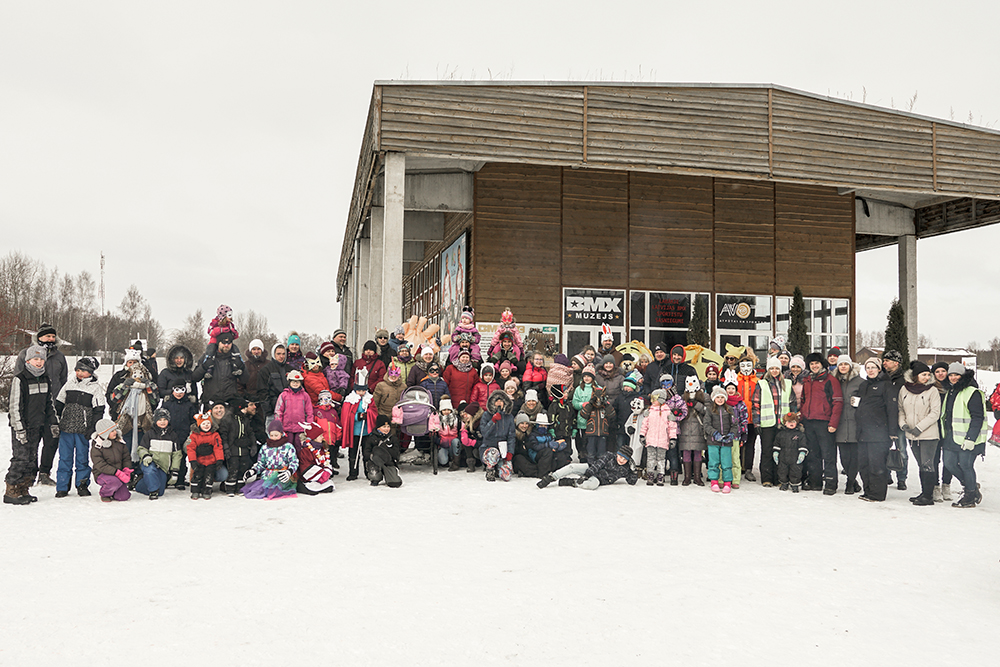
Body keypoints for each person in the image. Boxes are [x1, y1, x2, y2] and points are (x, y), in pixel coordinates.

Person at [13, 323, 67, 487]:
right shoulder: (25, 354)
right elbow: (18, 378)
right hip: (33, 406)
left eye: (53, 336)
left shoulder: (60, 357)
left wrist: (60, 401)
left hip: (53, 405)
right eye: (47, 336)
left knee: (51, 441)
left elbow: (63, 380)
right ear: (39, 337)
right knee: (32, 442)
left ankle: (45, 472)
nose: (50, 339)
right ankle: (30, 473)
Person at [5, 345, 56, 505]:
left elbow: (49, 404)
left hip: (37, 426)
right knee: (21, 458)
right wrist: (19, 427)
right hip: (22, 427)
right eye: (36, 359)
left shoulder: (45, 378)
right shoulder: (20, 379)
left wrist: (53, 422)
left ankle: (23, 488)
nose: (39, 362)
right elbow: (14, 406)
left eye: (41, 359)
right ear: (28, 360)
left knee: (31, 459)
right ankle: (12, 490)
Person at [53, 356, 106, 498]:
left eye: (84, 371)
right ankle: (62, 486)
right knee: (64, 458)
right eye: (78, 370)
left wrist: (93, 428)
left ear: (91, 372)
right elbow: (58, 404)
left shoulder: (95, 388)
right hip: (66, 428)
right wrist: (55, 420)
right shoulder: (69, 385)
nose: (80, 373)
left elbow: (99, 410)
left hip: (83, 430)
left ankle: (82, 485)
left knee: (82, 459)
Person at [939, 363, 986, 508]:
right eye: (951, 375)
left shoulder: (973, 392)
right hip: (951, 436)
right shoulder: (950, 391)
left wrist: (971, 438)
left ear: (963, 376)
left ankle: (970, 496)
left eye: (956, 375)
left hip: (967, 438)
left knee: (966, 465)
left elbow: (978, 417)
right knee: (950, 464)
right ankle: (971, 487)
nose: (953, 378)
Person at [897, 360, 942, 506]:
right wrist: (903, 424)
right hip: (911, 435)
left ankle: (928, 496)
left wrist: (919, 428)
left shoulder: (932, 390)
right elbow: (900, 409)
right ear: (915, 375)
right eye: (923, 374)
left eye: (928, 375)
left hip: (928, 435)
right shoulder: (904, 389)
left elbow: (935, 413)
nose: (927, 377)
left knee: (927, 464)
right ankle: (924, 492)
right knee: (921, 464)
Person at [854, 357, 898, 503]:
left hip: (879, 433)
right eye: (868, 368)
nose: (870, 370)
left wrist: (892, 432)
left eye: (873, 367)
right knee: (863, 463)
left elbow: (892, 410)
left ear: (879, 369)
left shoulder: (886, 385)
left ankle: (877, 494)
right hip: (863, 432)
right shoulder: (864, 385)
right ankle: (868, 491)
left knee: (877, 465)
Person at [800, 352, 843, 493]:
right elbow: (803, 400)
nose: (814, 366)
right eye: (811, 364)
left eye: (816, 363)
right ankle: (815, 482)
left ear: (822, 364)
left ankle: (830, 484)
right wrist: (802, 418)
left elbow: (837, 402)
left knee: (828, 455)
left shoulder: (831, 380)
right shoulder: (807, 380)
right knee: (813, 454)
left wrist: (833, 423)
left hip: (825, 423)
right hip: (809, 421)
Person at [752, 356, 797, 488]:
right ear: (768, 370)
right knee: (767, 451)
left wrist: (793, 420)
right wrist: (757, 423)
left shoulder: (787, 383)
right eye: (772, 368)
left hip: (783, 424)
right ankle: (767, 478)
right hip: (767, 424)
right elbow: (756, 405)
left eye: (777, 368)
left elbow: (792, 403)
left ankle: (779, 477)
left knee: (781, 452)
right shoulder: (762, 384)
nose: (774, 370)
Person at [536, 443, 639, 490]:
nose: (621, 460)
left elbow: (631, 482)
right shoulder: (609, 456)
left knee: (591, 485)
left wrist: (634, 471)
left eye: (624, 459)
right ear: (617, 454)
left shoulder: (626, 468)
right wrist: (587, 474)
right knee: (572, 467)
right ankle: (550, 478)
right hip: (591, 468)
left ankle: (571, 482)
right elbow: (598, 464)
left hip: (599, 478)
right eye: (620, 457)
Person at [241, 420, 298, 499]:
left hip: (282, 475)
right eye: (271, 435)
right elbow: (261, 463)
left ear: (281, 434)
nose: (274, 438)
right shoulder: (265, 447)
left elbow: (294, 462)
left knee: (275, 489)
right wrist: (253, 470)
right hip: (267, 476)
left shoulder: (288, 447)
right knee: (258, 489)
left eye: (276, 435)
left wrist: (289, 471)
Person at [339, 369, 378, 481]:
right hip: (354, 431)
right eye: (359, 390)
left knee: (367, 453)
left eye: (363, 390)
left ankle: (368, 472)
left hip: (366, 431)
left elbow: (374, 412)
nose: (361, 393)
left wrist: (368, 413)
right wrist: (358, 416)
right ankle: (353, 472)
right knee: (353, 453)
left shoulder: (369, 399)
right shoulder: (349, 399)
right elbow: (346, 415)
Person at [135, 408, 181, 500]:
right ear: (155, 421)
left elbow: (177, 455)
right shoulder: (149, 434)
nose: (162, 422)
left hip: (163, 467)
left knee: (160, 492)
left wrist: (174, 471)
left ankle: (139, 484)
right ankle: (153, 492)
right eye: (160, 420)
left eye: (165, 420)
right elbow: (141, 448)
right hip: (149, 462)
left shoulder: (173, 436)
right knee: (150, 470)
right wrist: (145, 456)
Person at [833, 354, 863, 495]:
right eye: (841, 364)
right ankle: (854, 481)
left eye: (845, 364)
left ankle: (850, 483)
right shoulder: (834, 381)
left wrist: (859, 402)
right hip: (839, 423)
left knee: (855, 456)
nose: (843, 367)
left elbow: (867, 401)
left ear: (850, 366)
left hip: (855, 422)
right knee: (844, 456)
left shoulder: (860, 382)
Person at [192, 331, 245, 409]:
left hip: (229, 405)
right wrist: (204, 366)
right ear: (218, 343)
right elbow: (195, 377)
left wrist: (241, 365)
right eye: (223, 342)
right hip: (211, 404)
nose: (226, 345)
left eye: (229, 342)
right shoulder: (207, 357)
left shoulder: (235, 358)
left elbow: (245, 379)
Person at [161, 380, 198, 489]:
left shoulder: (189, 405)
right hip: (170, 435)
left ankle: (180, 479)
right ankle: (167, 478)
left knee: (181, 457)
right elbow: (162, 418)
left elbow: (193, 420)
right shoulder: (167, 404)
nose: (179, 393)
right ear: (172, 391)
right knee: (168, 457)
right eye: (176, 390)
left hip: (184, 435)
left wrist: (191, 432)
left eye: (182, 390)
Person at [881, 349, 908, 490]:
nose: (884, 363)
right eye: (884, 360)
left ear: (896, 363)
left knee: (901, 450)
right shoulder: (882, 377)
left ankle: (902, 478)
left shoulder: (904, 380)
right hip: (884, 419)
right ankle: (886, 475)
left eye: (887, 361)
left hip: (899, 419)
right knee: (884, 449)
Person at [705, 386, 739, 493]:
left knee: (726, 462)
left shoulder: (729, 409)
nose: (720, 399)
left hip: (726, 442)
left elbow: (734, 424)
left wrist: (731, 434)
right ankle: (714, 481)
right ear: (714, 398)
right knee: (714, 462)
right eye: (718, 397)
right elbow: (706, 424)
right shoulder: (710, 410)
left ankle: (727, 482)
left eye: (722, 397)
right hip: (713, 441)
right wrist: (714, 433)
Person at [640, 389, 678, 487]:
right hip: (651, 440)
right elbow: (645, 425)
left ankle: (661, 476)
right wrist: (642, 435)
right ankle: (650, 476)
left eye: (655, 399)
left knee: (661, 459)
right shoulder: (649, 411)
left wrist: (672, 438)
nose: (652, 401)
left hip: (662, 440)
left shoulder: (668, 412)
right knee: (651, 458)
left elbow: (672, 427)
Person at [90, 419, 133, 503]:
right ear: (105, 433)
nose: (115, 432)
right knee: (114, 482)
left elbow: (126, 458)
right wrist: (116, 472)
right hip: (102, 473)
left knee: (123, 496)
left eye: (115, 430)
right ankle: (105, 494)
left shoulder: (120, 443)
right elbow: (100, 464)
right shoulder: (98, 446)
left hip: (118, 473)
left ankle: (114, 490)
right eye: (112, 431)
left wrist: (126, 469)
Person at [677, 374, 708, 486]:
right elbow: (679, 412)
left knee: (698, 453)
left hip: (698, 429)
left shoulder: (704, 397)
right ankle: (687, 477)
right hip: (685, 429)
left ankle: (697, 477)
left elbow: (708, 412)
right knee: (686, 453)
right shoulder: (682, 397)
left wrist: (696, 405)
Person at [185, 413, 224, 500]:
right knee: (197, 475)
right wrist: (193, 461)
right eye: (203, 424)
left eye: (208, 423)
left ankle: (207, 490)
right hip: (199, 461)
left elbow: (218, 447)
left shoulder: (215, 435)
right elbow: (190, 448)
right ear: (199, 425)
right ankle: (195, 490)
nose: (206, 426)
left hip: (211, 461)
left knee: (209, 476)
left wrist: (219, 459)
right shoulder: (194, 436)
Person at [479, 390, 515, 482]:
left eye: (501, 401)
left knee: (506, 476)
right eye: (496, 401)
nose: (499, 403)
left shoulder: (509, 417)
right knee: (493, 453)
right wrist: (493, 421)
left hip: (503, 448)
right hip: (489, 447)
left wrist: (510, 452)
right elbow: (484, 433)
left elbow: (511, 436)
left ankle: (499, 469)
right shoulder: (486, 415)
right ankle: (490, 469)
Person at [735, 353, 759, 483]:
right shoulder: (735, 380)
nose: (745, 368)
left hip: (752, 418)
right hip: (738, 418)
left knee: (750, 444)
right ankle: (738, 467)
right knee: (737, 443)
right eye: (742, 365)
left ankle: (748, 468)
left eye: (748, 365)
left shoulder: (757, 381)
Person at [295, 421, 336, 495]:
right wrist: (321, 475)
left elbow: (325, 461)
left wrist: (327, 471)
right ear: (314, 438)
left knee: (329, 486)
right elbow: (305, 466)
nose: (323, 437)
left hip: (321, 476)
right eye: (320, 436)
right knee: (313, 487)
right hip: (310, 477)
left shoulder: (322, 448)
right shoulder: (306, 450)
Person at [579, 384, 616, 463]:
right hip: (591, 433)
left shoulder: (605, 407)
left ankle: (600, 469)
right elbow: (583, 414)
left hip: (603, 433)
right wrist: (590, 403)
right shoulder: (590, 406)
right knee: (591, 453)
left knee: (601, 454)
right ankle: (590, 467)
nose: (598, 401)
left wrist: (606, 404)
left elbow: (612, 414)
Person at [363, 416, 402, 488]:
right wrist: (373, 456)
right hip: (375, 462)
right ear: (378, 428)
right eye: (384, 427)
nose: (386, 429)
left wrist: (386, 449)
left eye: (388, 426)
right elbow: (366, 453)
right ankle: (376, 478)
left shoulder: (393, 438)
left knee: (395, 483)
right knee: (377, 453)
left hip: (388, 462)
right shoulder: (371, 438)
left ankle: (390, 475)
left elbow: (396, 453)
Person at [772, 412, 807, 492]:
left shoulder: (799, 434)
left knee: (795, 471)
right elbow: (777, 444)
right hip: (783, 457)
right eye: (789, 422)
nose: (791, 424)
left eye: (793, 422)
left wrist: (802, 453)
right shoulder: (781, 434)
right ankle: (784, 483)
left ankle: (794, 484)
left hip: (795, 457)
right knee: (782, 471)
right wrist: (776, 453)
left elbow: (803, 444)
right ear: (785, 423)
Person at [261, 343, 292, 423]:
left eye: (283, 354)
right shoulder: (266, 370)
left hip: (289, 410)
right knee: (273, 434)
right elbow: (263, 391)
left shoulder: (290, 369)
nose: (281, 356)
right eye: (278, 354)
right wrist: (268, 410)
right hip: (273, 410)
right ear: (274, 354)